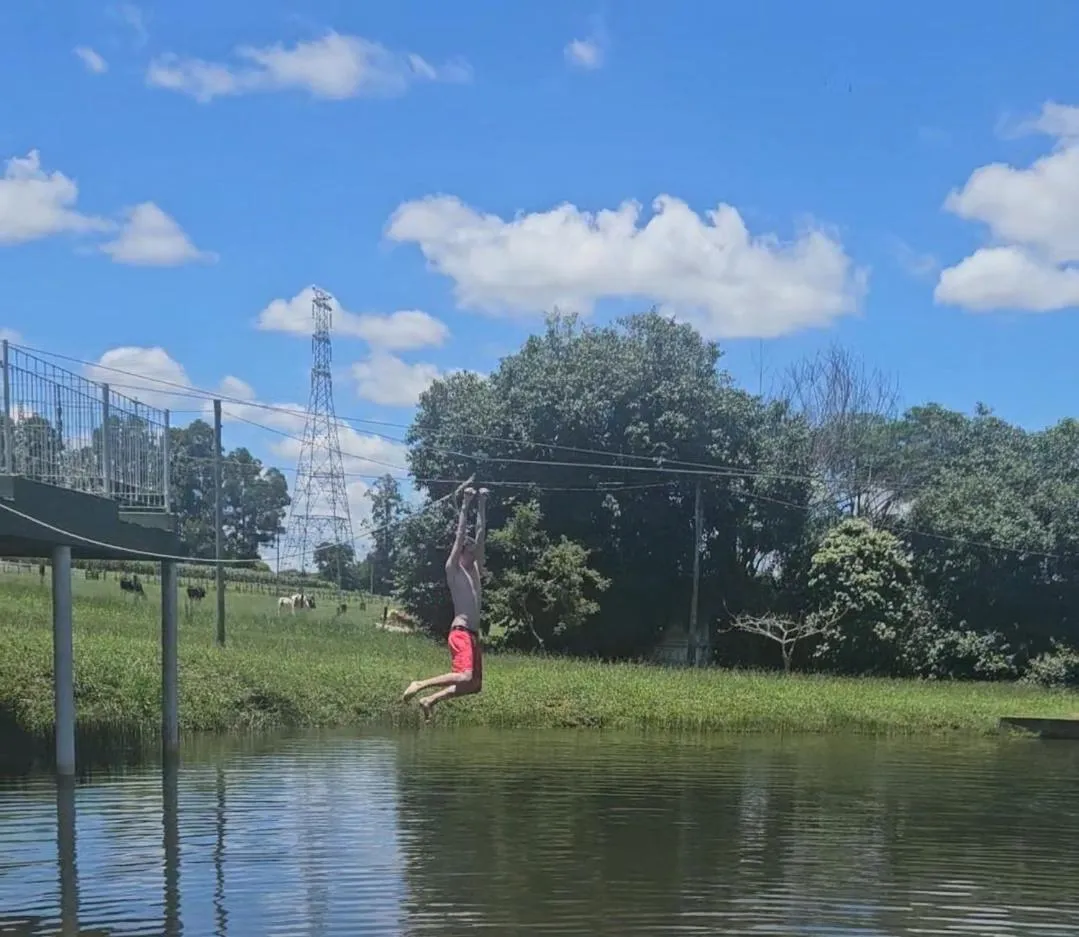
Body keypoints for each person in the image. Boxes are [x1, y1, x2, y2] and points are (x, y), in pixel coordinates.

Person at [402, 485, 489, 720]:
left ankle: (430, 700)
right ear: (461, 552)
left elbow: (480, 535)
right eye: (468, 547)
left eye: (473, 547)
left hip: (472, 636)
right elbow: (461, 535)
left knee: (474, 684)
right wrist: (466, 503)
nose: (472, 547)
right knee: (463, 676)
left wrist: (482, 504)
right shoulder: (454, 570)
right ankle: (419, 684)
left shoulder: (475, 572)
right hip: (460, 632)